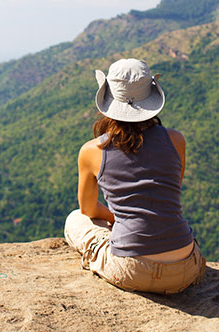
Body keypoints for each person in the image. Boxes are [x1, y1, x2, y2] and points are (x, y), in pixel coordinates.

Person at [63, 58, 206, 294]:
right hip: (185, 266)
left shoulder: (91, 151)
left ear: (108, 99)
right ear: (151, 97)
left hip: (132, 270)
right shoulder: (176, 140)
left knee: (75, 218)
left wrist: (118, 218)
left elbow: (88, 210)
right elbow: (166, 197)